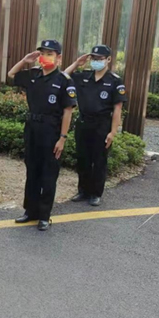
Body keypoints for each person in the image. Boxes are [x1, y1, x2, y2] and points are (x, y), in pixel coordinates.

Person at [7, 39, 77, 231]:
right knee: (32, 171)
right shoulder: (33, 75)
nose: (45, 57)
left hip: (51, 131)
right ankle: (30, 211)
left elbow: (68, 112)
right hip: (32, 129)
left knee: (48, 174)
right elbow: (11, 75)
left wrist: (62, 138)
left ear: (58, 58)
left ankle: (44, 215)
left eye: (49, 54)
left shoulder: (64, 80)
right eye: (42, 53)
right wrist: (25, 60)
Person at [64, 44, 127, 206]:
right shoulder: (84, 76)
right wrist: (77, 63)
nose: (96, 61)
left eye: (100, 58)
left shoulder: (115, 81)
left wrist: (113, 132)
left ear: (108, 59)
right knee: (82, 158)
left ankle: (96, 193)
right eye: (93, 58)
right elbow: (63, 76)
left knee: (99, 160)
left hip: (102, 125)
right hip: (83, 123)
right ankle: (83, 191)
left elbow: (118, 108)